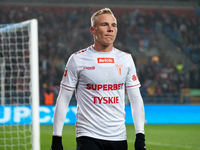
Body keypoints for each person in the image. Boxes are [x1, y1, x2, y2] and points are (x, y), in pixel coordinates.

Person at [50, 8, 146, 150]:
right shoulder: (77, 59)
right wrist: (56, 139)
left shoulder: (126, 59)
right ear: (93, 30)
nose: (110, 29)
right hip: (88, 136)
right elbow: (63, 99)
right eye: (104, 25)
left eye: (114, 25)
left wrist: (140, 137)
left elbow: (136, 99)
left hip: (119, 137)